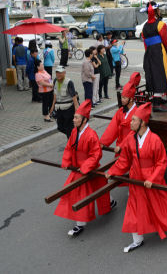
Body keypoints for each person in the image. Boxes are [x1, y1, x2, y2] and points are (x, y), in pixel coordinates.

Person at [106, 103, 167, 252]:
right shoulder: (131, 139)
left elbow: (161, 163)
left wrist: (152, 179)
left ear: (143, 123)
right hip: (136, 178)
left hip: (151, 177)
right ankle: (137, 240)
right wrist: (113, 171)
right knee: (134, 207)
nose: (130, 123)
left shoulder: (155, 140)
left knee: (161, 203)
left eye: (134, 120)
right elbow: (124, 160)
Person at [54, 100, 115, 237]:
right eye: (74, 117)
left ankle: (109, 202)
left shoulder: (91, 134)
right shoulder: (74, 132)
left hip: (89, 168)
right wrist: (66, 161)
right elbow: (69, 148)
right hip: (78, 168)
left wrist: (86, 166)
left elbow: (96, 154)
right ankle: (80, 223)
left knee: (96, 190)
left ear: (84, 120)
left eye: (76, 117)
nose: (73, 120)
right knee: (79, 192)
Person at [141, 2, 167, 112]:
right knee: (161, 74)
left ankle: (160, 98)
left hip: (149, 52)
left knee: (154, 74)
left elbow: (145, 43)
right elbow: (166, 41)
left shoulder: (144, 27)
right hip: (159, 51)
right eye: (159, 10)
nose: (160, 12)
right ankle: (157, 104)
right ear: (156, 11)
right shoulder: (160, 24)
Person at [100, 74, 141, 159]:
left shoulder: (137, 113)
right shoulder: (120, 111)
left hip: (132, 144)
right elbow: (112, 128)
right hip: (120, 142)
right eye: (122, 97)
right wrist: (103, 142)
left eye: (124, 98)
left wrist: (122, 145)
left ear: (131, 99)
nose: (122, 100)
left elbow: (133, 133)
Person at [51, 66, 79, 138]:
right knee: (60, 127)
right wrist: (52, 105)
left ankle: (71, 141)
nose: (58, 74)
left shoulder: (69, 82)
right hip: (59, 108)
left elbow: (74, 96)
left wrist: (76, 110)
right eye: (57, 72)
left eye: (60, 72)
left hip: (68, 108)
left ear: (64, 73)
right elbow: (55, 94)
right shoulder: (55, 81)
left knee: (68, 127)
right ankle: (73, 137)